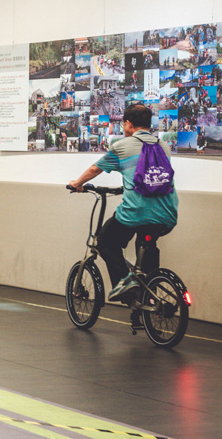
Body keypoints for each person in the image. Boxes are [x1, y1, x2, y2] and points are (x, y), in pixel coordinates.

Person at [69, 103, 178, 301]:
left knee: (105, 241)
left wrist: (77, 183)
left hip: (135, 212)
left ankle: (125, 283)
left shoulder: (121, 146)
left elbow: (95, 169)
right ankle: (149, 293)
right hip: (167, 214)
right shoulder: (164, 146)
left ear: (128, 124)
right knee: (146, 242)